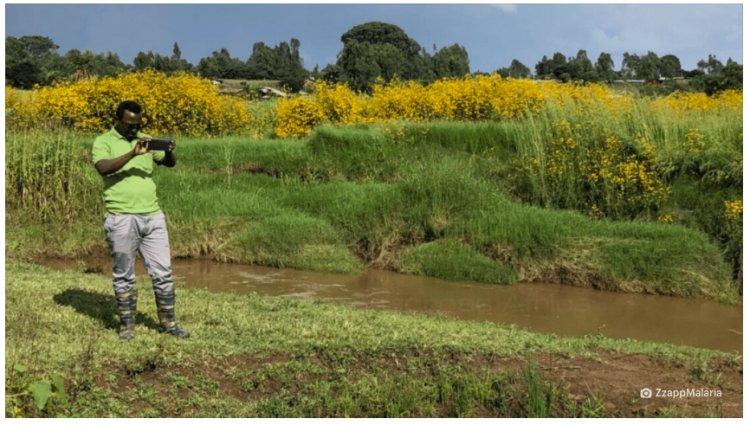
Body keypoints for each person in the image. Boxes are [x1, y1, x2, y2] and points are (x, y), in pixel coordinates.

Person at [92, 100, 189, 340]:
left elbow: (169, 163)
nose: (134, 130)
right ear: (117, 120)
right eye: (129, 125)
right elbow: (104, 168)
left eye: (137, 125)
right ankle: (127, 326)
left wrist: (168, 150)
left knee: (163, 271)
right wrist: (131, 154)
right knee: (124, 273)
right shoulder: (103, 141)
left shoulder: (146, 139)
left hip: (152, 216)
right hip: (121, 217)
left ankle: (169, 323)